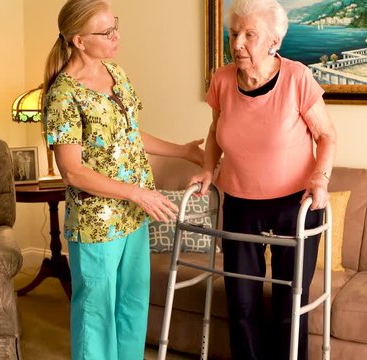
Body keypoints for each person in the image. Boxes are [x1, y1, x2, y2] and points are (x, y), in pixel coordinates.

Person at [41, 1, 203, 359]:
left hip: (132, 217)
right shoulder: (63, 95)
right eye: (105, 31)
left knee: (132, 305)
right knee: (96, 314)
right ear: (79, 41)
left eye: (115, 25)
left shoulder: (117, 74)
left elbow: (129, 136)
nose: (116, 36)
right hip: (97, 224)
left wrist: (184, 151)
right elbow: (73, 171)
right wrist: (139, 193)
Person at [189, 0, 337, 359]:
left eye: (249, 35)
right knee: (241, 302)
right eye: (234, 33)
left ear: (274, 41)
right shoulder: (222, 79)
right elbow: (215, 128)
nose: (238, 43)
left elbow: (327, 136)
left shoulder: (297, 77)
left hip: (295, 204)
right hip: (240, 203)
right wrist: (209, 168)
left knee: (291, 302)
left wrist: (320, 178)